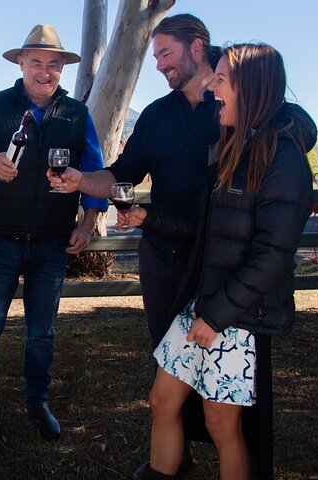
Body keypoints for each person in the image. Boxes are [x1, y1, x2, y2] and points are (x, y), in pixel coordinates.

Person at [131, 42, 315, 479]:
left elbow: (272, 256)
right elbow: (204, 229)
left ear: (249, 87)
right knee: (162, 401)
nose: (211, 88)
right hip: (201, 304)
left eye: (221, 80)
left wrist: (215, 317)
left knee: (221, 425)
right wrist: (148, 218)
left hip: (237, 316)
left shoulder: (283, 159)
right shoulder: (229, 149)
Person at [0, 24, 108, 444]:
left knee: (42, 332)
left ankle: (38, 402)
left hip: (52, 244)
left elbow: (95, 173)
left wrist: (87, 224)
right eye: (36, 62)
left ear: (61, 69)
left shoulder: (77, 114)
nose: (45, 71)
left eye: (53, 64)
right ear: (20, 63)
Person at [49, 13, 222, 351]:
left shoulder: (235, 103)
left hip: (219, 256)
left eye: (166, 54)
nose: (158, 66)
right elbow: (123, 173)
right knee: (168, 352)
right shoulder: (156, 115)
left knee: (217, 363)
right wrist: (80, 180)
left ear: (197, 46)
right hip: (163, 255)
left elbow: (294, 125)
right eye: (156, 57)